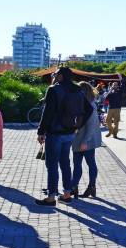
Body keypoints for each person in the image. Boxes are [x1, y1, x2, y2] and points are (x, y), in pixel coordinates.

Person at [36, 67, 93, 206]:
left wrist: (40, 131)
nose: (53, 76)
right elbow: (89, 109)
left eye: (55, 74)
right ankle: (67, 194)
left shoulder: (54, 89)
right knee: (65, 163)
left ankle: (51, 197)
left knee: (52, 165)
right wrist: (77, 126)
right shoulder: (78, 89)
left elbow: (47, 113)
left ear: (60, 76)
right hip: (69, 133)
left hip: (55, 133)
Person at [70, 82, 102, 199]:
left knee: (90, 163)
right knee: (77, 164)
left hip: (87, 140)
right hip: (78, 139)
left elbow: (92, 125)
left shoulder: (91, 105)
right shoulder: (81, 103)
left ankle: (91, 186)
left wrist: (85, 141)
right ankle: (74, 187)